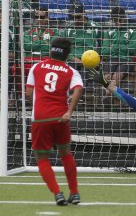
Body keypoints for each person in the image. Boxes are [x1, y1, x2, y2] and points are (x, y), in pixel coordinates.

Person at [25, 38, 83, 205]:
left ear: (51, 51)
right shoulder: (70, 71)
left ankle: (57, 193)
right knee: (65, 153)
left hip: (41, 117)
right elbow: (78, 88)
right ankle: (75, 192)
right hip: (60, 117)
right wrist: (69, 111)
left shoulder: (37, 67)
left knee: (41, 157)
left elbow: (29, 91)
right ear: (67, 55)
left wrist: (37, 107)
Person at [101, 7, 136, 85]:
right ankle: (111, 96)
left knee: (115, 77)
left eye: (119, 20)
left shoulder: (132, 30)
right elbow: (104, 51)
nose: (117, 22)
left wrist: (114, 47)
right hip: (112, 59)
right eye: (115, 20)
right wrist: (124, 47)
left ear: (124, 17)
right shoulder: (109, 31)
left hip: (126, 60)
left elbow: (132, 50)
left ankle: (108, 96)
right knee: (107, 77)